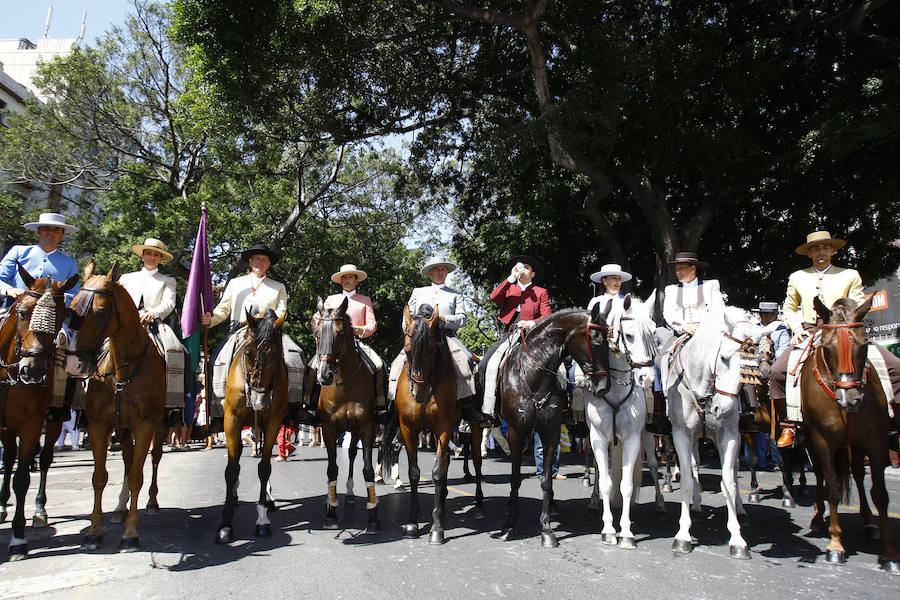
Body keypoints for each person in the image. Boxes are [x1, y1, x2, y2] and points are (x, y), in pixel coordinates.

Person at [770, 231, 900, 448]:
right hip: (811, 330)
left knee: (895, 366)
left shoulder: (849, 274)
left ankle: (894, 420)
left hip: (846, 329)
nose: (821, 252)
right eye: (815, 248)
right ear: (809, 253)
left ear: (832, 250)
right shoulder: (797, 277)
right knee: (777, 372)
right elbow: (789, 308)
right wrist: (795, 327)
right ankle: (789, 424)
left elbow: (858, 303)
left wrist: (849, 323)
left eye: (825, 248)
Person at [200, 244, 308, 419]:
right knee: (214, 361)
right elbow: (223, 309)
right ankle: (217, 412)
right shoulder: (235, 283)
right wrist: (210, 320)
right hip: (240, 330)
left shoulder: (278, 286)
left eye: (264, 259)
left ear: (269, 264)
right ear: (250, 261)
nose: (260, 262)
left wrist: (265, 317)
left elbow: (282, 312)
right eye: (256, 258)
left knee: (297, 356)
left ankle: (295, 405)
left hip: (269, 331)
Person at [0, 212, 80, 422]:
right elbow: (0, 278)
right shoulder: (18, 252)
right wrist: (10, 290)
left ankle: (58, 402)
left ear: (62, 235)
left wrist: (57, 298)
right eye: (46, 228)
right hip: (17, 312)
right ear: (38, 231)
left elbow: (74, 293)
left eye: (55, 230)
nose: (50, 233)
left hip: (52, 318)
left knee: (66, 345)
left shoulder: (68, 263)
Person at [388, 256, 477, 415]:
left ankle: (468, 405)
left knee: (466, 359)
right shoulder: (418, 291)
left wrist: (445, 319)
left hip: (445, 336)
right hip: (418, 337)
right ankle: (391, 406)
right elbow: (406, 319)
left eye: (442, 269)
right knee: (396, 363)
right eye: (436, 269)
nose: (439, 272)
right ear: (430, 273)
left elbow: (462, 319)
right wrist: (411, 331)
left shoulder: (456, 295)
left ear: (447, 272)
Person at [118, 237, 187, 427]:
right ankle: (88, 399)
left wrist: (153, 313)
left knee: (176, 351)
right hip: (125, 325)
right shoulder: (126, 278)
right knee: (97, 346)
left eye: (156, 254)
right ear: (142, 255)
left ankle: (173, 404)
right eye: (148, 253)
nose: (151, 257)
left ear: (160, 259)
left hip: (153, 323)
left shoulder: (167, 280)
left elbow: (169, 303)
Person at [477, 254, 552, 422]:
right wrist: (511, 277)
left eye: (527, 267)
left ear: (532, 274)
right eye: (520, 266)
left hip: (533, 335)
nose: (522, 269)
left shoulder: (541, 292)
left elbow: (548, 316)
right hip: (509, 334)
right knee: (484, 365)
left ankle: (559, 407)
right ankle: (488, 410)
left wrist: (532, 323)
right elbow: (494, 297)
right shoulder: (509, 287)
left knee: (558, 368)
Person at [310, 263, 386, 420]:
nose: (346, 280)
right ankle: (309, 405)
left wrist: (359, 329)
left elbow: (372, 324)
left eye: (350, 277)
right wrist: (321, 330)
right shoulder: (331, 299)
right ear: (340, 281)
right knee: (311, 366)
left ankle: (380, 405)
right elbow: (317, 318)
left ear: (356, 281)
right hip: (331, 344)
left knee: (379, 365)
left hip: (356, 342)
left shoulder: (365, 300)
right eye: (344, 277)